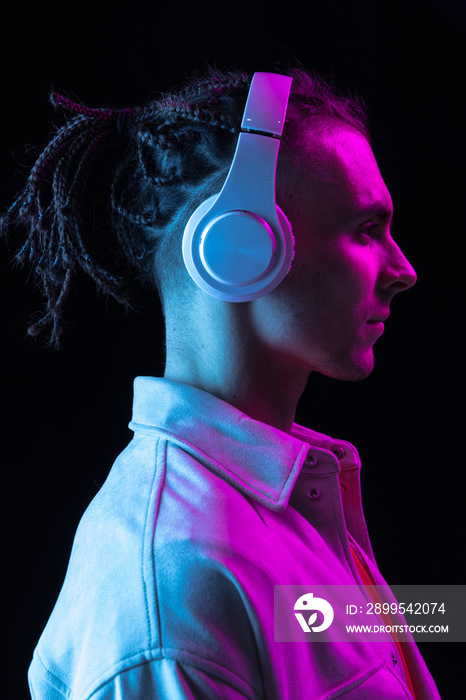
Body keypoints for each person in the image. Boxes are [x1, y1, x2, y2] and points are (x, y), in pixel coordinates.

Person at [2, 66, 441, 699]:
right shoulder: (172, 594)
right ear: (242, 248)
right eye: (366, 230)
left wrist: (450, 613)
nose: (404, 270)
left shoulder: (285, 498)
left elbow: (339, 633)